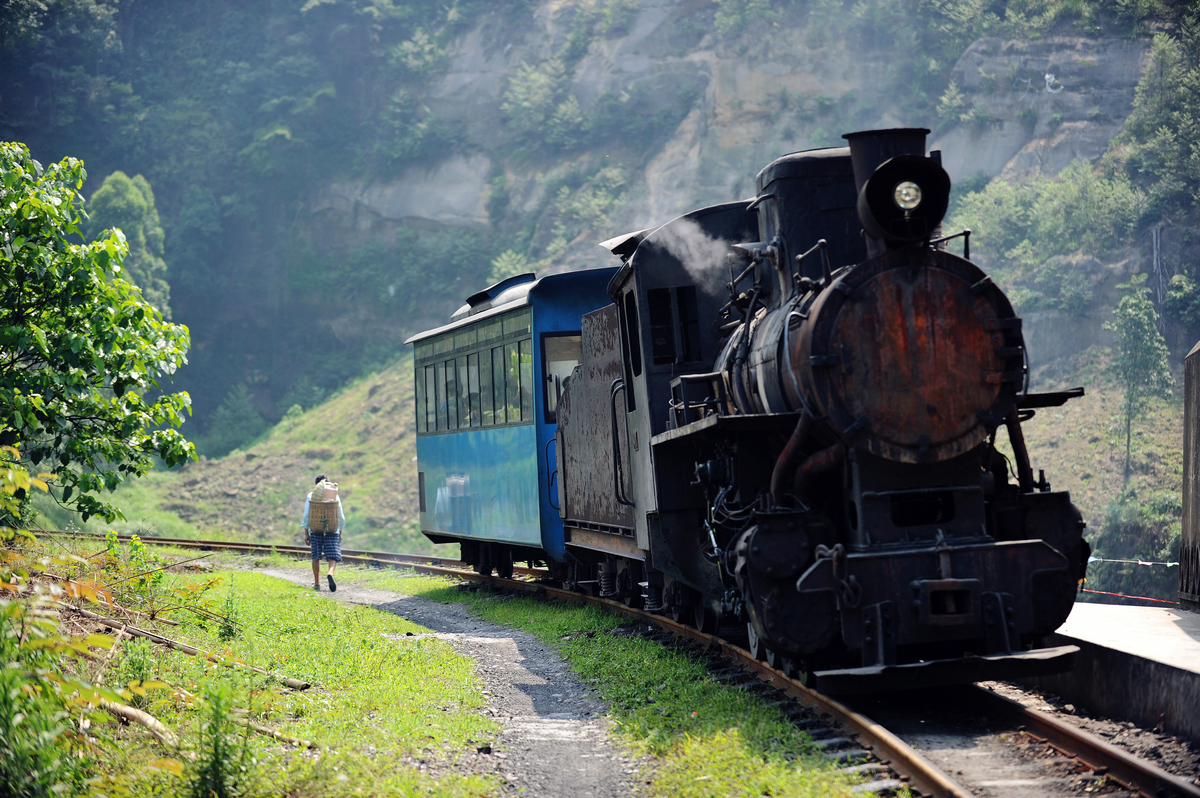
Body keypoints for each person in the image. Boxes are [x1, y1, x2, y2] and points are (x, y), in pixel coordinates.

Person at [302, 473, 344, 591]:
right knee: (333, 555)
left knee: (316, 555)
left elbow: (307, 515)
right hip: (332, 528)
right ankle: (330, 572)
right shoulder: (335, 495)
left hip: (315, 528)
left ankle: (317, 583)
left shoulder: (311, 495)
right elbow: (340, 515)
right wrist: (340, 531)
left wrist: (306, 533)